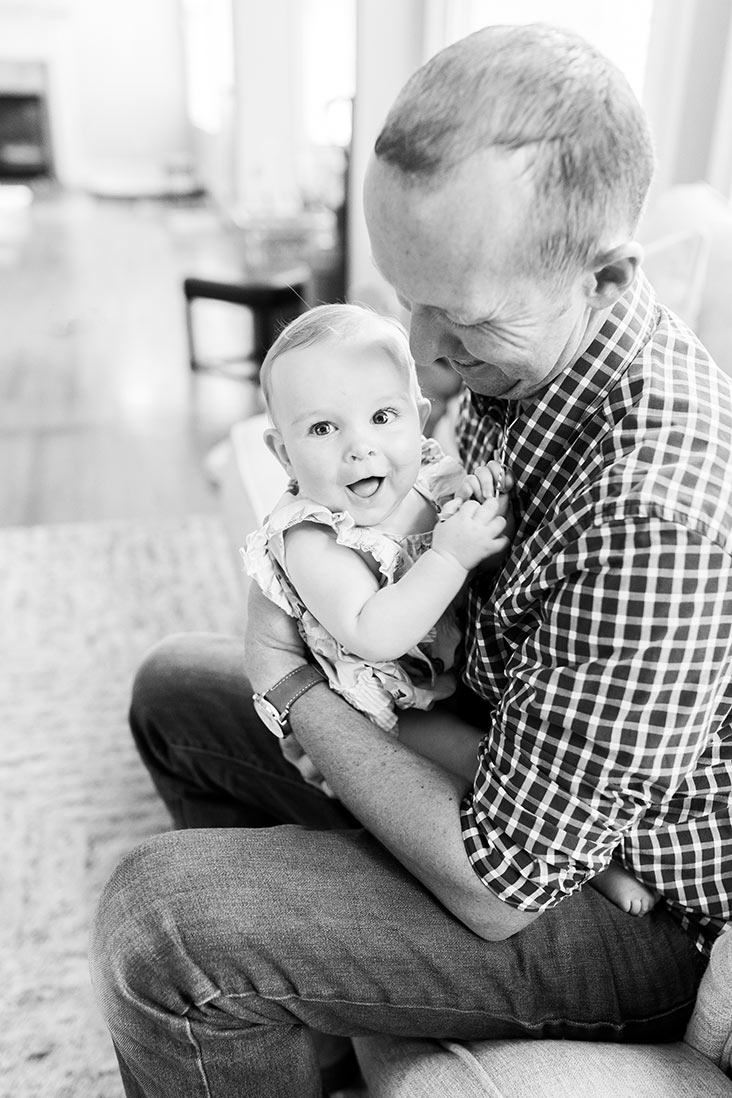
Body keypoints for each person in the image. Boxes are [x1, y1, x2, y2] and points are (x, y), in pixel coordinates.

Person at [89, 22, 732, 1098]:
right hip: (478, 740)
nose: (425, 360)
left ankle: (238, 983)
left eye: (464, 319)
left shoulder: (656, 511)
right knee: (170, 693)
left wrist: (297, 687)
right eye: (406, 295)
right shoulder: (516, 367)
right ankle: (274, 1043)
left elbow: (500, 884)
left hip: (621, 911)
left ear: (606, 274)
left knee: (160, 922)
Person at [242, 301, 512, 793]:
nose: (360, 447)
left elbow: (482, 574)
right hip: (388, 709)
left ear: (419, 419)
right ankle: (600, 869)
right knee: (486, 768)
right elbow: (374, 631)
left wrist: (484, 520)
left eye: (383, 416)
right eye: (323, 428)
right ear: (284, 455)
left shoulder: (431, 476)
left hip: (456, 673)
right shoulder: (312, 533)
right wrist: (450, 555)